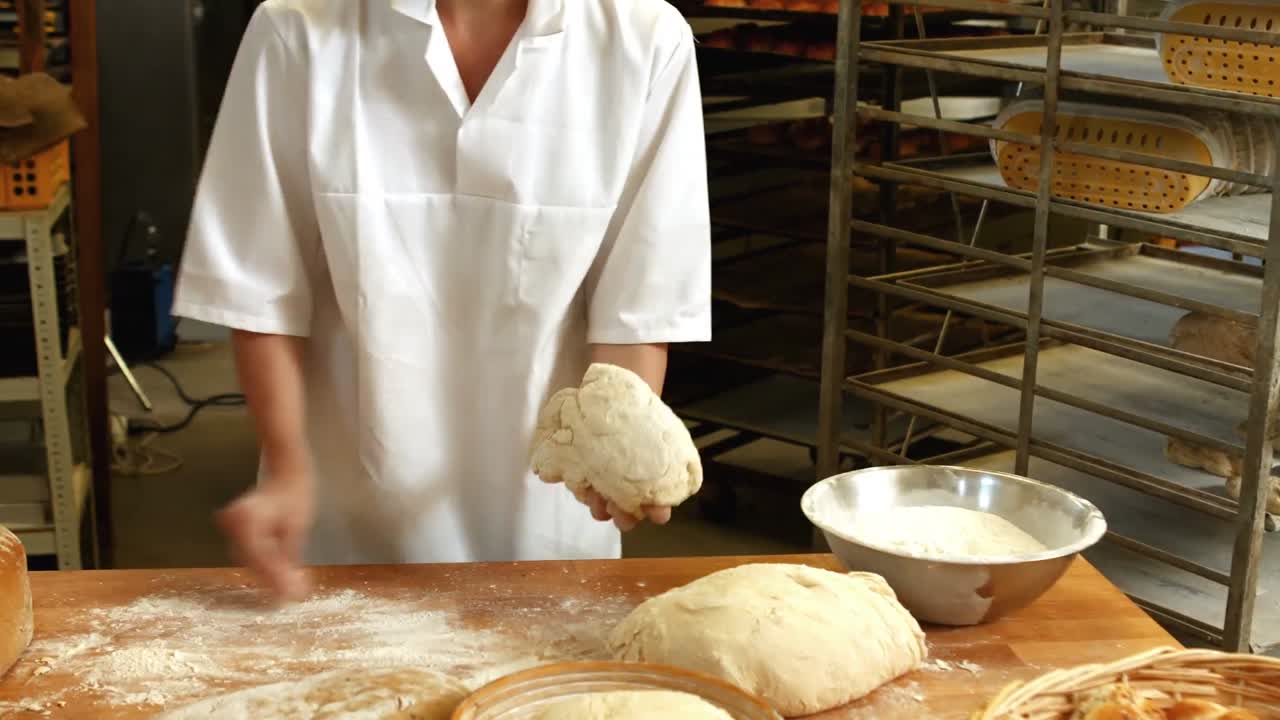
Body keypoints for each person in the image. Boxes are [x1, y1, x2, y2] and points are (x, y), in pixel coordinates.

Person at [172, 0, 711, 600]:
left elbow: (637, 301)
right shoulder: (298, 31)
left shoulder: (644, 41)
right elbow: (261, 289)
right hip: (342, 533)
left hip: (546, 528)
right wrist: (288, 466)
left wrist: (615, 458)